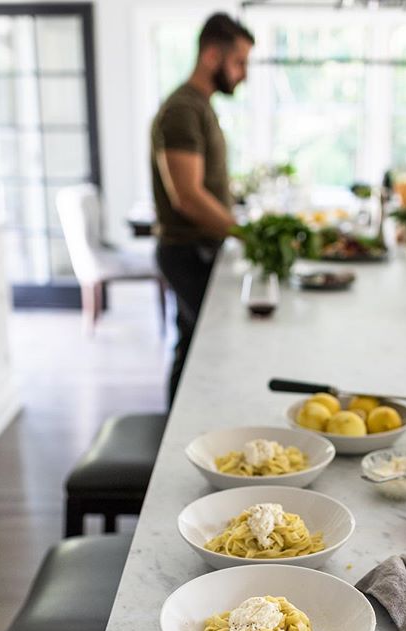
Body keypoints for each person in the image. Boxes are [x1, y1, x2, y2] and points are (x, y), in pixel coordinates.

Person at [150, 13, 254, 405]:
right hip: (187, 251)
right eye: (239, 62)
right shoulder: (182, 111)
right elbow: (187, 197)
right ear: (213, 55)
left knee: (192, 346)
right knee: (205, 351)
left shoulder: (199, 106)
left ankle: (177, 432)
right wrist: (245, 233)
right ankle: (184, 436)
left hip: (197, 249)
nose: (243, 73)